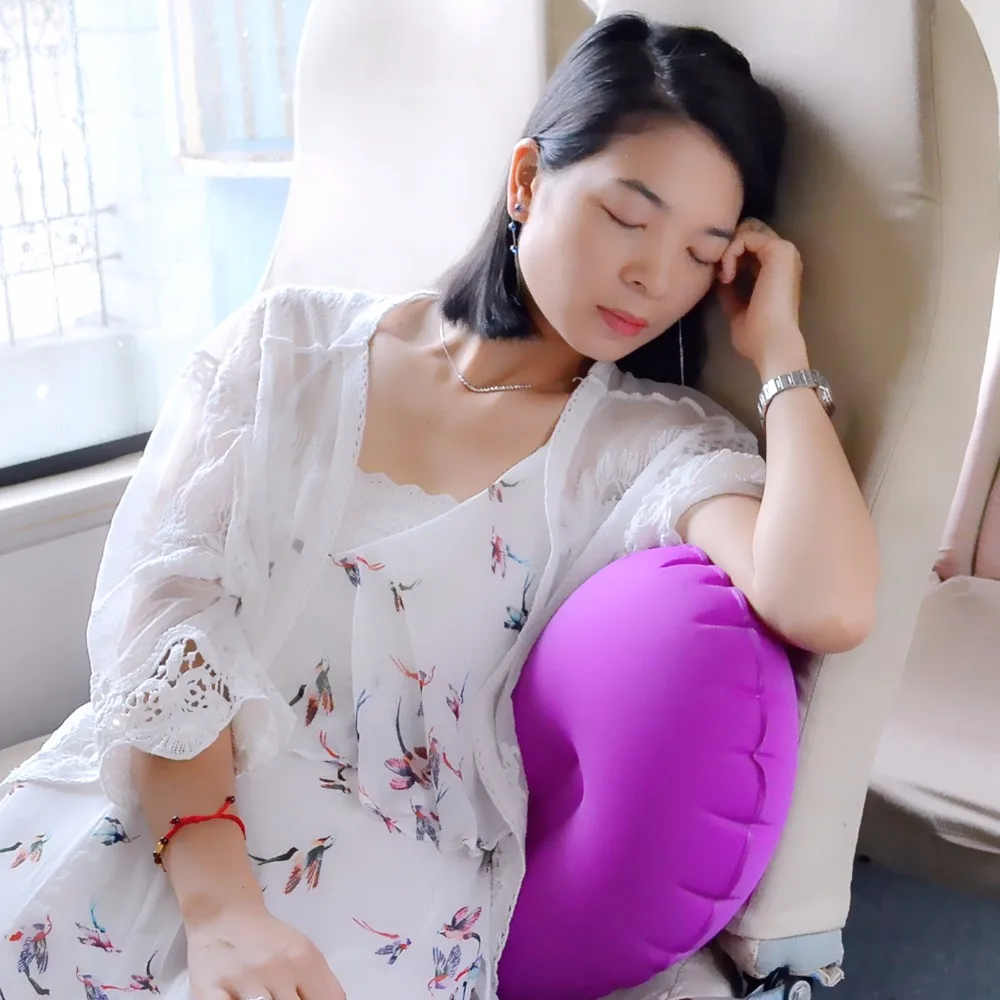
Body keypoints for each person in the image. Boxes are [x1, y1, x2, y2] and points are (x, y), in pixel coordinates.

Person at [0, 13, 878, 1000]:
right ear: (526, 181)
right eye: (628, 219)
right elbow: (163, 624)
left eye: (698, 253)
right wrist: (220, 907)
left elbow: (826, 603)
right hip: (154, 819)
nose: (651, 275)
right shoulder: (285, 348)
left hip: (372, 909)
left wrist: (780, 351)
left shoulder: (644, 447)